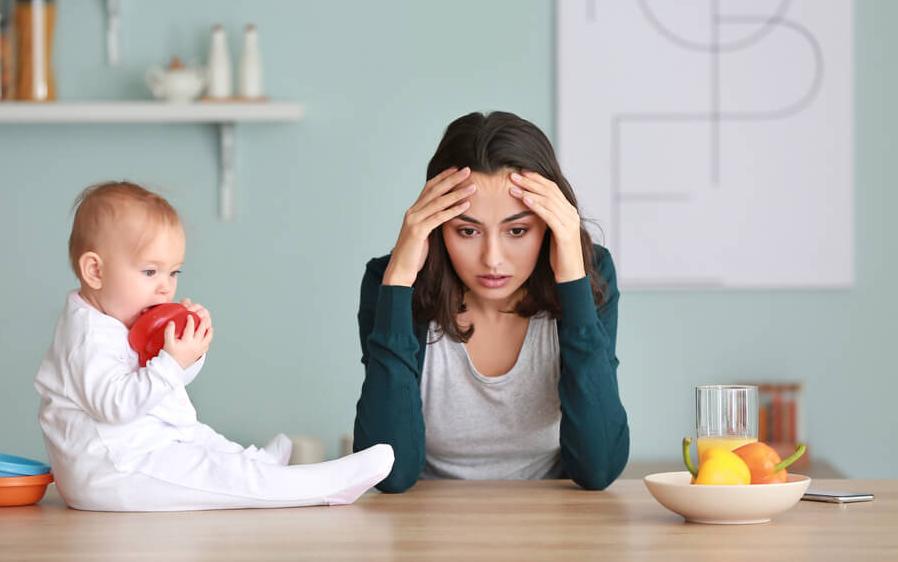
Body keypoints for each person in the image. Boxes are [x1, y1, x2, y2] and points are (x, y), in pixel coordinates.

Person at [35, 181, 393, 511]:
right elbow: (117, 405)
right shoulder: (87, 338)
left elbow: (161, 382)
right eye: (150, 272)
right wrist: (172, 364)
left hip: (146, 445)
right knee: (213, 474)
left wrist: (189, 351)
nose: (165, 288)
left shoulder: (117, 317)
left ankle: (253, 463)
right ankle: (323, 485)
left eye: (174, 273)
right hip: (113, 471)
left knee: (201, 439)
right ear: (95, 272)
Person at [353, 111, 629, 493]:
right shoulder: (394, 281)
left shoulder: (592, 274)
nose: (492, 259)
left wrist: (572, 278)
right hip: (422, 532)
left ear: (550, 225)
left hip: (556, 532)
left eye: (517, 230)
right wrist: (399, 280)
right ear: (434, 226)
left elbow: (598, 469)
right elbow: (391, 475)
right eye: (467, 231)